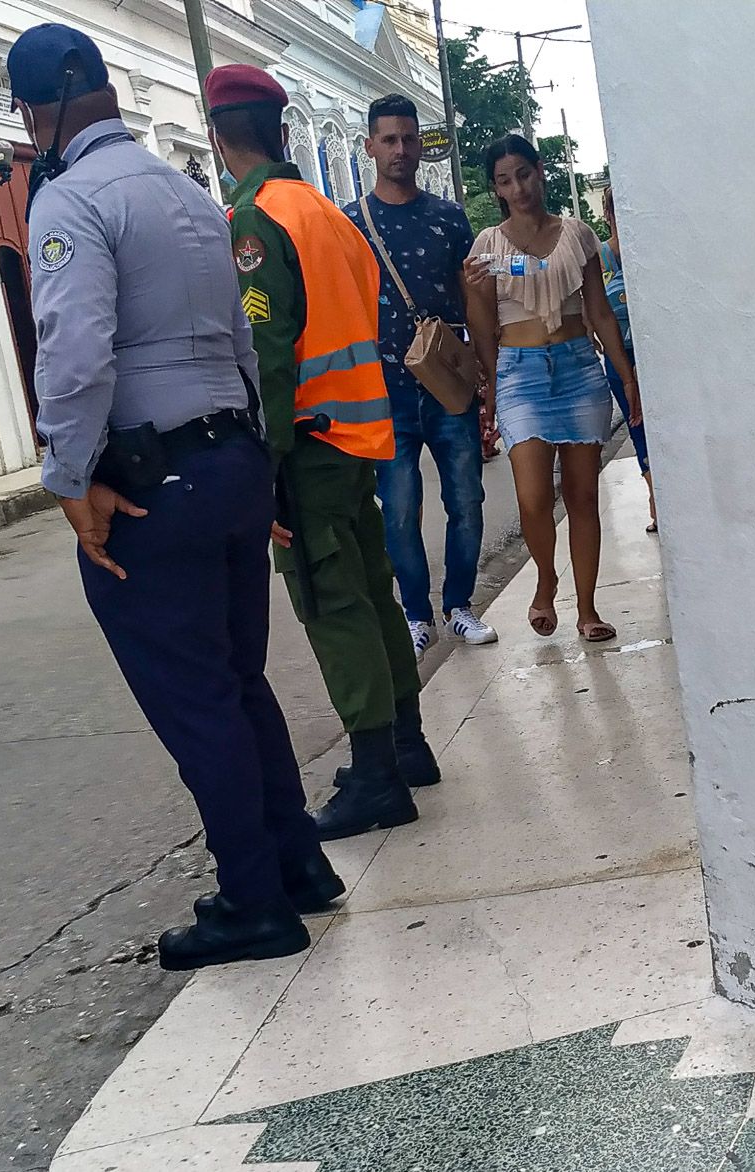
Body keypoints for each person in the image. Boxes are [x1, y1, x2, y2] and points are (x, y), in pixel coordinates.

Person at [13, 24, 340, 972]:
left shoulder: (72, 200)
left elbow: (74, 356)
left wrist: (68, 479)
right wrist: (263, 463)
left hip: (158, 483)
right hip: (234, 459)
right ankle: (297, 867)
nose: (30, 126)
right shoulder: (190, 195)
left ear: (51, 101)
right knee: (239, 682)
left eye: (29, 109)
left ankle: (253, 903)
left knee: (196, 699)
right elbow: (243, 342)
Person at [212, 64, 437, 841]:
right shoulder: (325, 213)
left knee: (332, 601)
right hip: (356, 437)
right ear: (281, 130)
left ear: (218, 137)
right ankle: (407, 745)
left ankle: (376, 774)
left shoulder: (256, 219)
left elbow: (267, 350)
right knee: (373, 590)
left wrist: (265, 466)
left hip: (304, 445)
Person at [464, 135, 641, 643]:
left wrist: (627, 378)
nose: (517, 188)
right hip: (520, 370)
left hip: (578, 366)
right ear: (495, 188)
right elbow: (481, 323)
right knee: (533, 495)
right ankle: (545, 578)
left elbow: (599, 311)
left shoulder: (577, 236)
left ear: (540, 171)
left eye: (523, 173)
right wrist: (491, 381)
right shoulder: (487, 248)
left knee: (584, 495)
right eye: (504, 180)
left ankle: (587, 609)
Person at [342, 94, 497, 661]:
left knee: (467, 499)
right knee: (401, 508)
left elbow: (471, 300)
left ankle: (459, 606)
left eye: (409, 138)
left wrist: (488, 378)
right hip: (385, 392)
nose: (401, 149)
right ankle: (415, 613)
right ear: (370, 147)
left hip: (448, 386)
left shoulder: (449, 217)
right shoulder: (350, 222)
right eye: (389, 139)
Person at [598, 184, 656, 533]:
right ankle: (654, 497)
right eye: (615, 212)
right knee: (637, 427)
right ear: (608, 215)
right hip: (620, 359)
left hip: (653, 357)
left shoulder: (647, 256)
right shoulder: (600, 257)